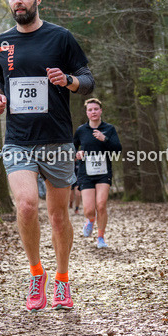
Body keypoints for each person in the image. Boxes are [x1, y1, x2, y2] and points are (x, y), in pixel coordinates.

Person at [0, 0, 94, 311]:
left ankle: (62, 279)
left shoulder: (61, 38)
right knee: (25, 205)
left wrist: (69, 81)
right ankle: (37, 274)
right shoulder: (2, 41)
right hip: (18, 140)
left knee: (59, 217)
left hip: (57, 140)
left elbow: (88, 80)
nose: (18, 1)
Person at [74, 98, 121, 248]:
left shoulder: (109, 129)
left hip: (103, 172)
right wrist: (77, 154)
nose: (93, 112)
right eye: (90, 110)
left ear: (101, 111)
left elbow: (118, 149)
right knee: (89, 209)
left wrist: (104, 139)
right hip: (85, 172)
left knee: (101, 205)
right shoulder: (81, 130)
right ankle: (90, 220)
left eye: (96, 109)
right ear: (86, 113)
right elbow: (72, 148)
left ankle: (100, 238)